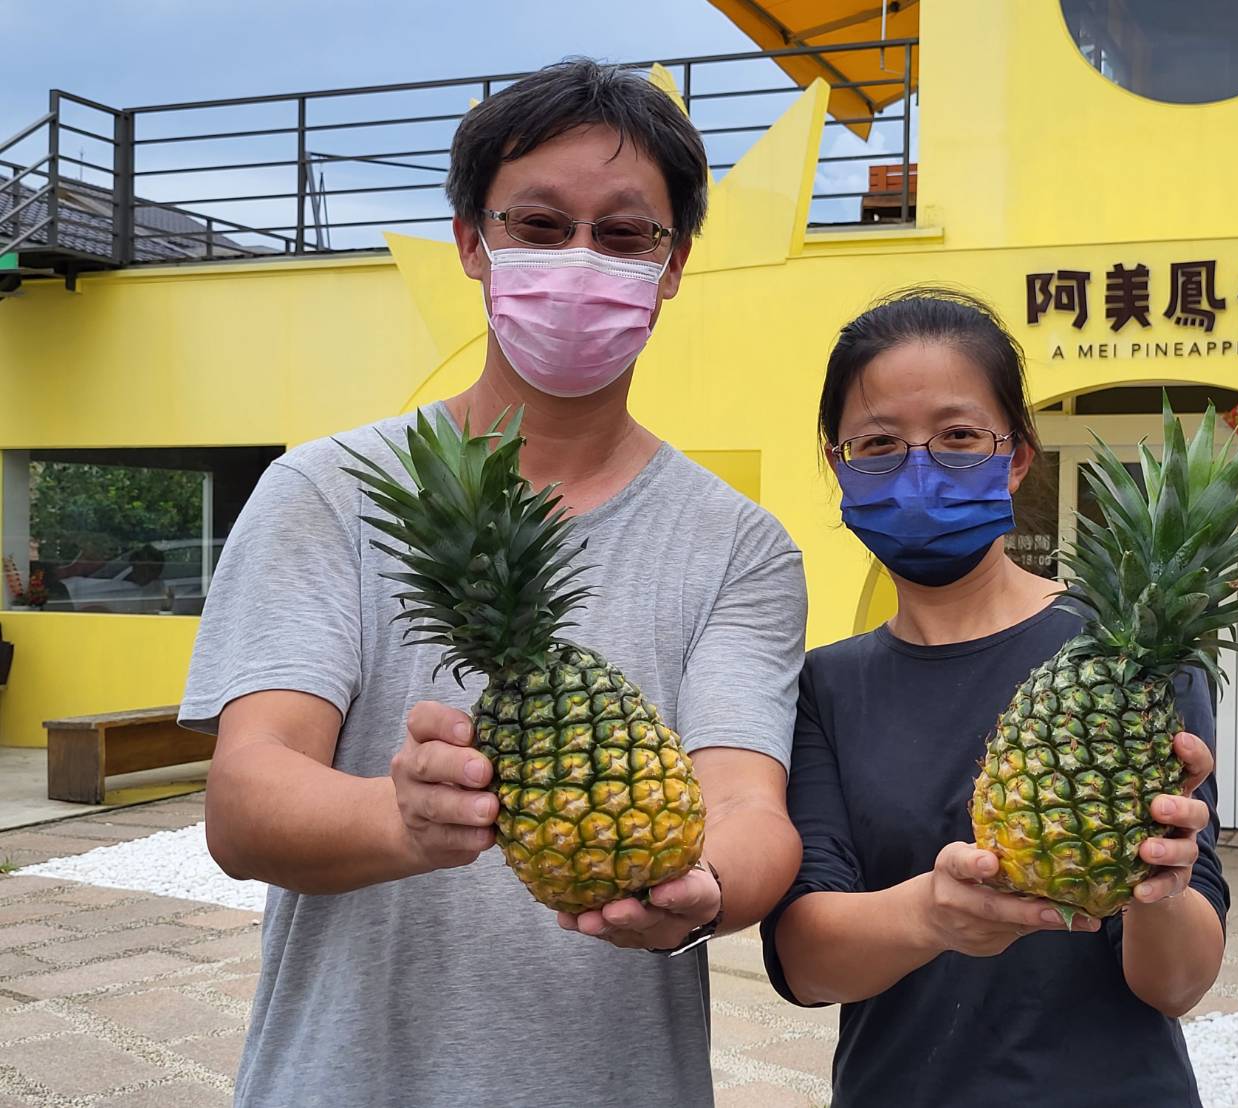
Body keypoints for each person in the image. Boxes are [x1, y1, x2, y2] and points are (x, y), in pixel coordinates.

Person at [181, 60, 807, 1108]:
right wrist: (401, 819)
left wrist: (704, 891)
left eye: (624, 235)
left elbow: (748, 801)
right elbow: (245, 800)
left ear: (673, 263)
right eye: (539, 224)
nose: (579, 260)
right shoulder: (329, 492)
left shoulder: (739, 545)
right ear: (472, 242)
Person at [759, 289, 1228, 1107]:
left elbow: (1177, 986)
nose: (917, 467)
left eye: (957, 436)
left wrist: (1163, 888)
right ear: (838, 465)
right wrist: (931, 916)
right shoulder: (823, 686)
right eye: (877, 443)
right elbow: (804, 963)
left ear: (1014, 457)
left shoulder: (1128, 661)